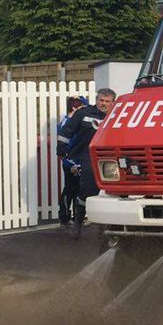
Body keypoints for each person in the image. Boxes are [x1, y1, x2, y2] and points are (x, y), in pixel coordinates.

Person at [57, 88, 116, 238]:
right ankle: (77, 224)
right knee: (87, 190)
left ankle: (104, 229)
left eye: (107, 101)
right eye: (101, 100)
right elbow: (66, 132)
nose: (103, 104)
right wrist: (62, 151)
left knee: (111, 194)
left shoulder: (117, 115)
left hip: (109, 158)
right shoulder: (83, 113)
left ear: (113, 102)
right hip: (86, 156)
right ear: (96, 100)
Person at [56, 96, 87, 226]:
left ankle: (75, 217)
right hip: (71, 160)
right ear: (75, 107)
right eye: (82, 107)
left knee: (77, 188)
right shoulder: (68, 122)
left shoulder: (73, 120)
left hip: (77, 159)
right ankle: (65, 216)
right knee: (70, 189)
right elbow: (65, 142)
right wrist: (70, 161)